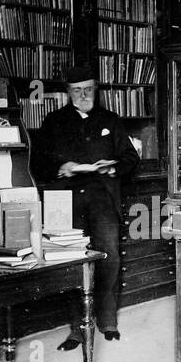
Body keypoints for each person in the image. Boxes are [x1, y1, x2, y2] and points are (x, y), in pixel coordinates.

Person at [34, 63, 139, 346]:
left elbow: (131, 158)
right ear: (68, 92)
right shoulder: (53, 121)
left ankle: (107, 320)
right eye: (77, 90)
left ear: (96, 90)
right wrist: (61, 167)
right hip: (65, 201)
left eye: (88, 89)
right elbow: (38, 163)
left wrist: (113, 166)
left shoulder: (111, 119)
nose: (83, 95)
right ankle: (77, 327)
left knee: (109, 258)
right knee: (70, 260)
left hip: (103, 198)